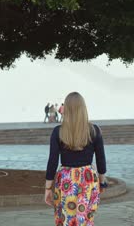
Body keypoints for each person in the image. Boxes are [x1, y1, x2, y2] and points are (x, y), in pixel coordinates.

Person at [45, 92, 107, 226]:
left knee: (66, 218)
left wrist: (48, 189)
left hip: (66, 179)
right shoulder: (94, 130)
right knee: (86, 219)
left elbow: (52, 161)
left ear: (66, 109)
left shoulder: (58, 131)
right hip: (88, 179)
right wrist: (102, 182)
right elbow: (101, 159)